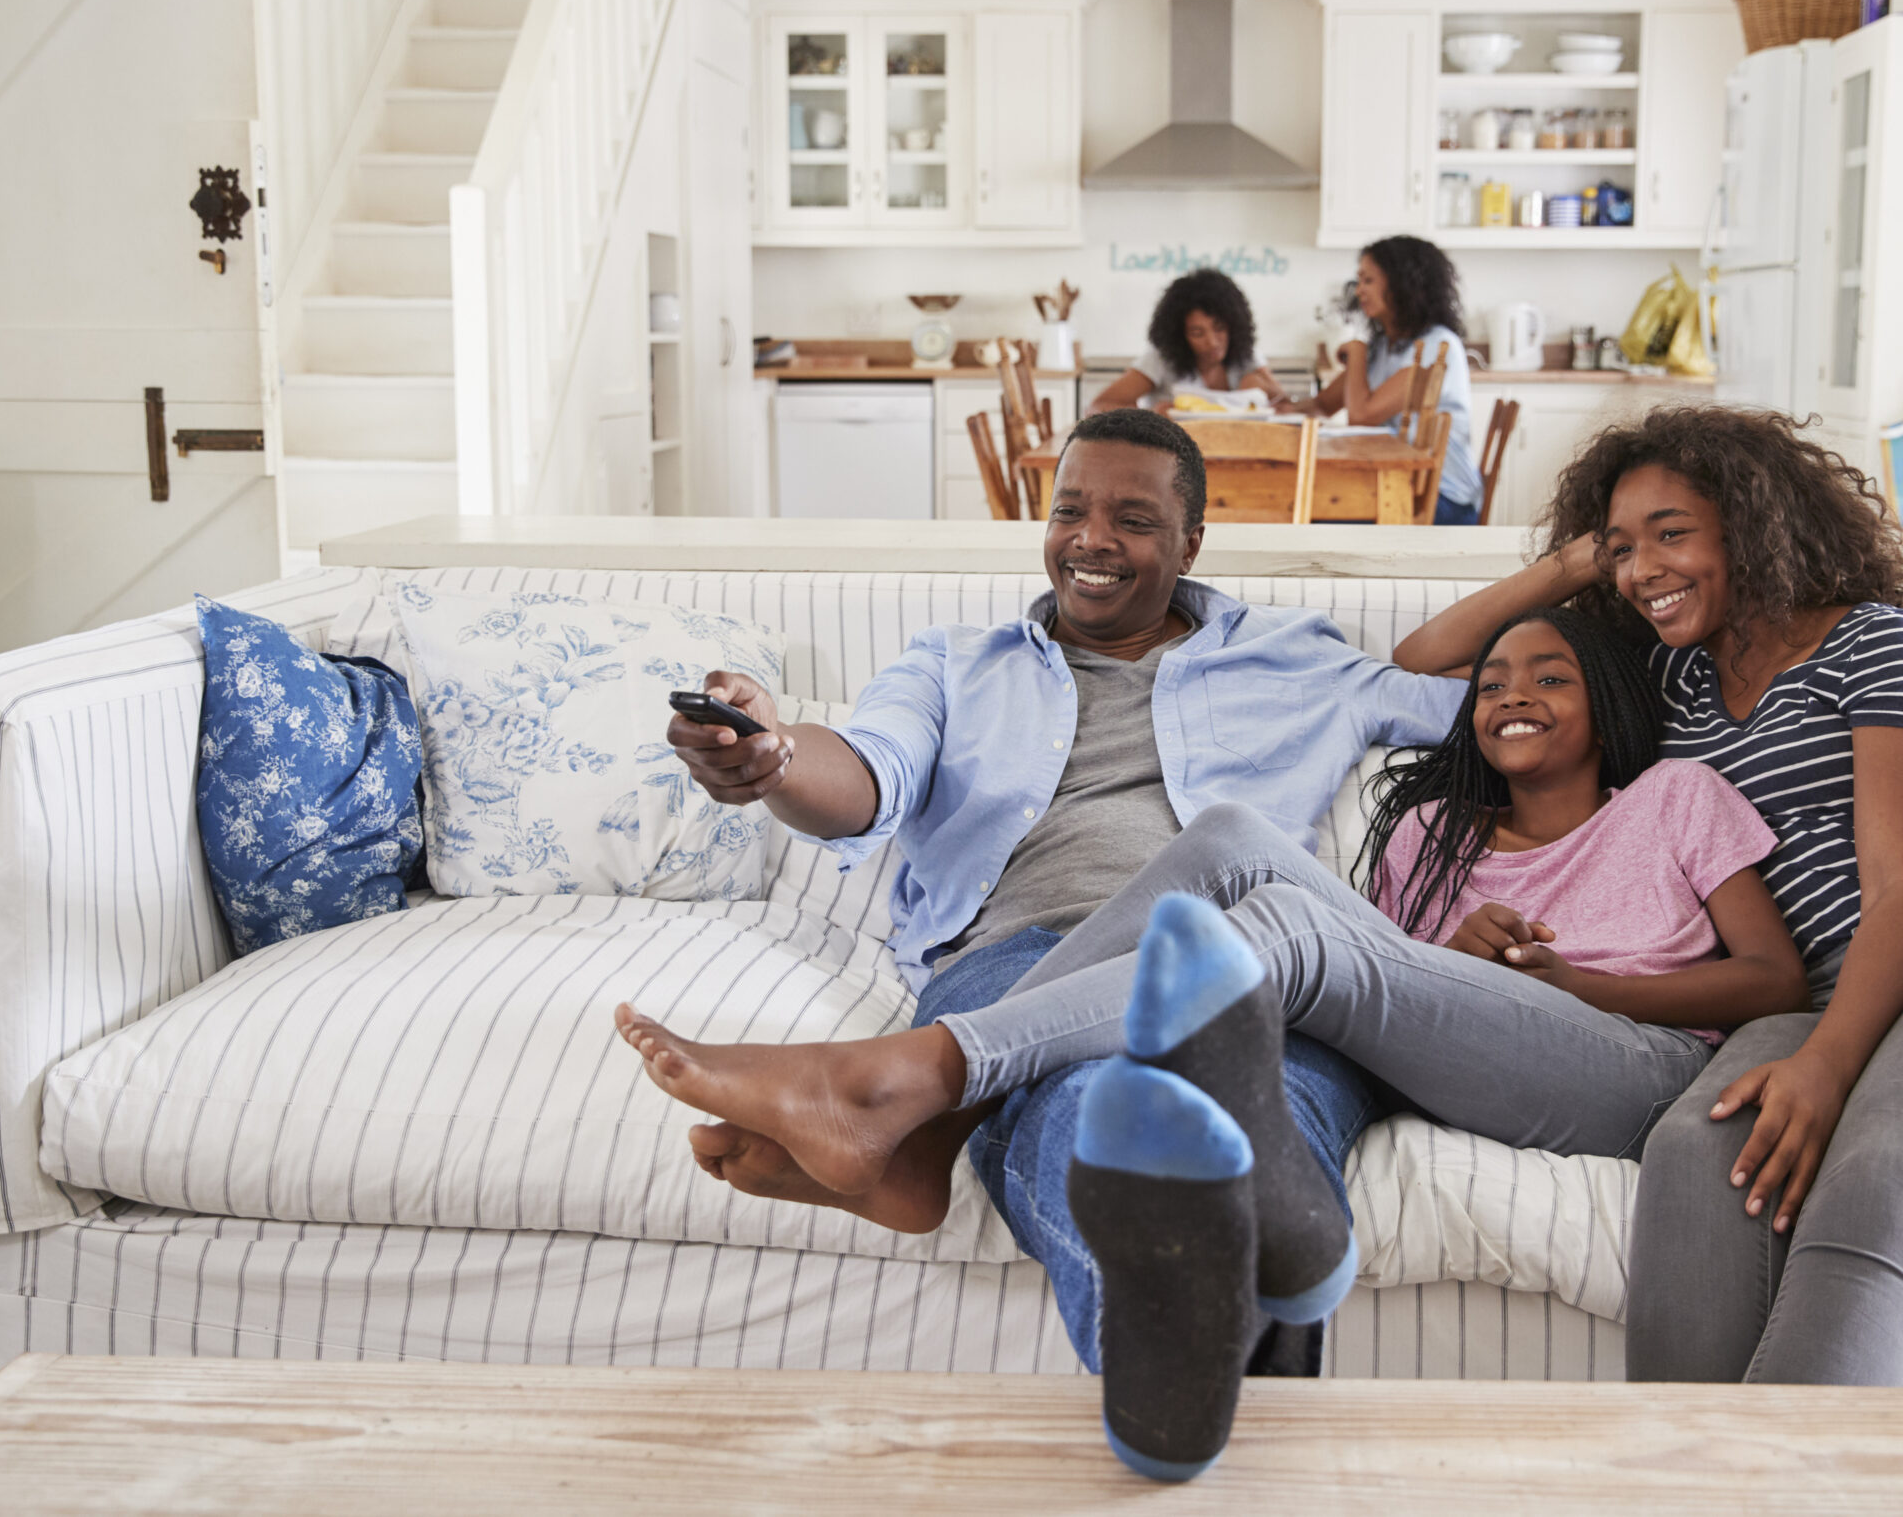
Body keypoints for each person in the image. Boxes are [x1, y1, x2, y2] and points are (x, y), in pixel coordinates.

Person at [619, 601, 1806, 1477]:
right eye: (1492, 678)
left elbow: (1771, 976)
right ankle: (931, 1119)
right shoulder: (1431, 835)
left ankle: (921, 1085)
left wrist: (1570, 976)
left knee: (1276, 922)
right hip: (1487, 1060)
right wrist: (1462, 962)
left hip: (1633, 1067)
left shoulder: (1673, 800)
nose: (1507, 691)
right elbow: (1395, 1007)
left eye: (1550, 674)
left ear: (1607, 696)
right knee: (1231, 842)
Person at [612, 406, 1465, 1379]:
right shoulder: (952, 662)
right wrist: (774, 756)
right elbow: (867, 777)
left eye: (1134, 521)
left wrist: (1575, 571)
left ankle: (934, 1156)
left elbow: (1498, 710)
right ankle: (1172, 1366)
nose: (1092, 541)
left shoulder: (1299, 658)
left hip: (1250, 967)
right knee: (1090, 1104)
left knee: (1275, 1118)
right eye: (1070, 512)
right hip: (1022, 960)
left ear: (1192, 541)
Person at [1392, 405, 1903, 1387]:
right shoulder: (1676, 677)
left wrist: (1825, 1067)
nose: (1643, 569)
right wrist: (1585, 560)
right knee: (1697, 1162)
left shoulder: (1878, 645)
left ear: (1752, 522)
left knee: (1872, 1185)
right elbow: (1430, 658)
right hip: (1804, 990)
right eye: (1624, 547)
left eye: (1673, 534)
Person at [1310, 235, 1483, 524]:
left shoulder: (1435, 348)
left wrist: (1355, 350)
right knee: (1311, 506)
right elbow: (1322, 405)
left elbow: (1361, 415)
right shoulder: (1384, 347)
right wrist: (1272, 403)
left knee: (1314, 514)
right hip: (1397, 486)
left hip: (1442, 499)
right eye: (1359, 280)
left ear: (1402, 284)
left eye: (1369, 281)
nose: (1359, 291)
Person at [1088, 267, 1296, 414]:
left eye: (1220, 328)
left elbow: (1287, 406)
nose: (1212, 342)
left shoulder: (1246, 355)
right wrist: (1151, 415)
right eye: (1198, 333)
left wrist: (1264, 391)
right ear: (1179, 335)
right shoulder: (1161, 358)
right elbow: (1099, 406)